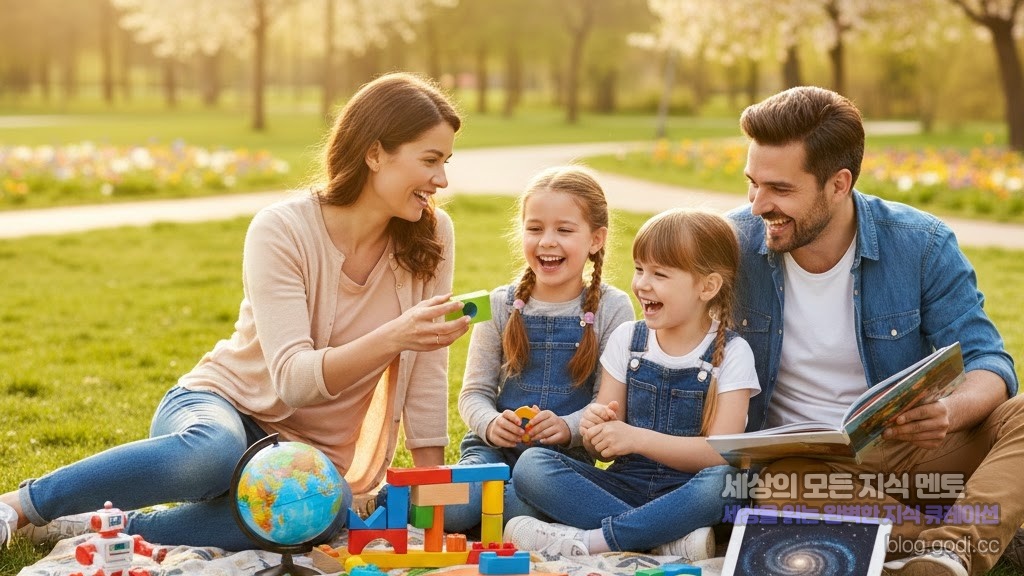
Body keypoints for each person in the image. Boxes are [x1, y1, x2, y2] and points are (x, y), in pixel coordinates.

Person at [0, 72, 471, 551]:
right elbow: (293, 379)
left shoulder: (432, 237)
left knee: (323, 517)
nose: (442, 179)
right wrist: (396, 335)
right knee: (214, 453)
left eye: (446, 161)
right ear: (375, 154)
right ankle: (18, 508)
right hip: (225, 407)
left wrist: (430, 494)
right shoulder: (282, 229)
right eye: (430, 160)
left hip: (307, 455)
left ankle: (99, 528)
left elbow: (427, 369)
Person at [730, 86, 1021, 576]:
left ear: (839, 184)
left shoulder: (921, 244)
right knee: (776, 486)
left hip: (918, 449)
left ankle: (937, 549)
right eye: (752, 184)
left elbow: (989, 362)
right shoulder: (732, 245)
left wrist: (949, 410)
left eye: (780, 189)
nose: (759, 204)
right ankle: (951, 548)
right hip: (810, 468)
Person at [503, 208, 760, 559]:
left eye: (660, 274)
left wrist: (635, 437)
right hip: (624, 486)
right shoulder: (628, 339)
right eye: (640, 269)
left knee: (723, 484)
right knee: (532, 466)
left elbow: (717, 455)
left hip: (688, 491)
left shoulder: (734, 352)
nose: (642, 284)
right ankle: (662, 539)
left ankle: (597, 540)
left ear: (707, 286)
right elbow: (601, 449)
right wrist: (597, 432)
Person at [443, 166, 634, 535]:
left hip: (559, 463)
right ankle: (398, 498)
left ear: (596, 239)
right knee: (452, 510)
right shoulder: (499, 303)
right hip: (491, 451)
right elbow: (474, 393)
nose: (547, 241)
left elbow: (607, 404)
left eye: (564, 230)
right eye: (535, 228)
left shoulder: (614, 308)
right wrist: (490, 423)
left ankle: (498, 513)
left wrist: (567, 427)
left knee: (515, 506)